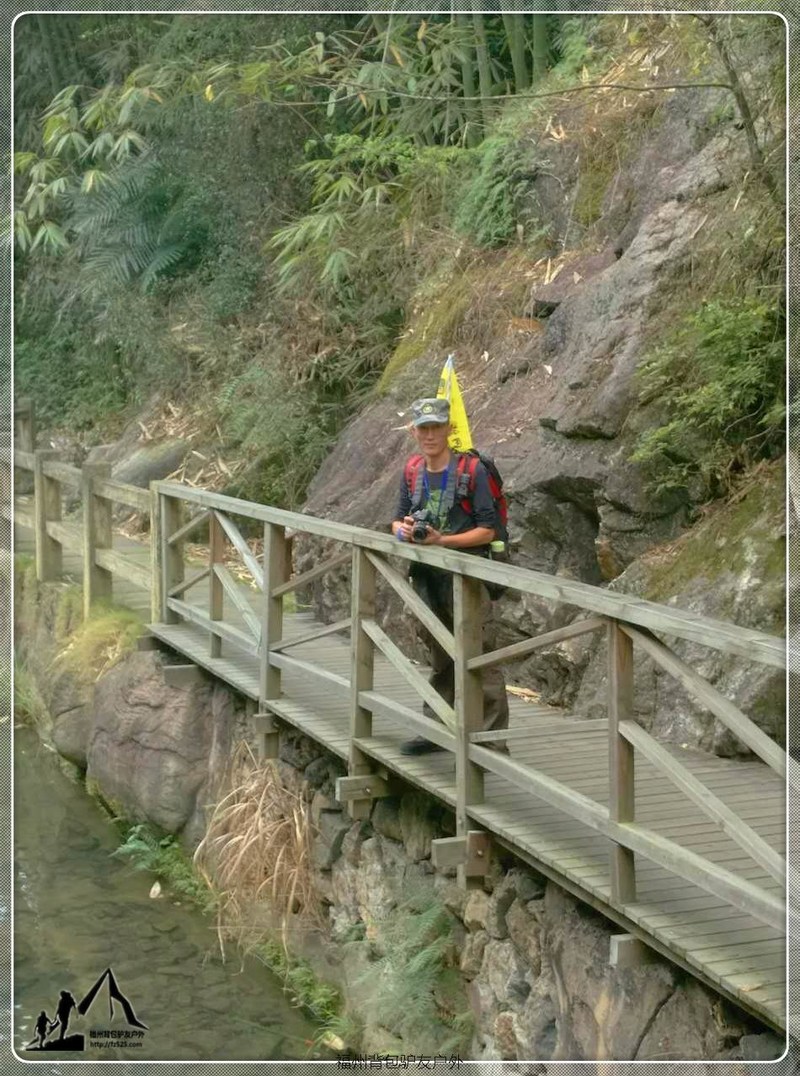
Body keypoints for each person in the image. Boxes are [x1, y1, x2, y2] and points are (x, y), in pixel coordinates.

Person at [391, 397, 509, 755]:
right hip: (428, 577)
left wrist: (442, 541)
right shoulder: (412, 471)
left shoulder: (472, 472)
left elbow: (488, 530)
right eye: (423, 428)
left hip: (468, 577)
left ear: (449, 429)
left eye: (436, 427)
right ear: (414, 432)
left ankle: (490, 742)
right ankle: (437, 728)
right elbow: (396, 520)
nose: (429, 435)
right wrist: (404, 532)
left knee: (481, 655)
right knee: (441, 654)